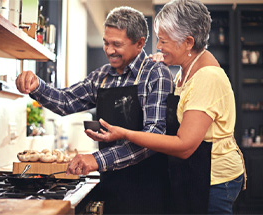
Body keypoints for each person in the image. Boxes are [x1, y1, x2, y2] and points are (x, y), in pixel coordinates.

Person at [84, 0, 247, 214]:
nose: (158, 46)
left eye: (163, 40)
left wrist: (124, 133)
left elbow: (184, 145)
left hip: (213, 181)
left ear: (188, 42)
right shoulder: (186, 69)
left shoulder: (207, 78)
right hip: (194, 176)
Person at [16, 6, 173, 214]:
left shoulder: (156, 74)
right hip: (111, 187)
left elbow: (154, 137)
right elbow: (65, 101)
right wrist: (36, 86)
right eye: (106, 43)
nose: (108, 50)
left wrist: (97, 160)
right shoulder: (102, 77)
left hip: (148, 190)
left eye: (117, 44)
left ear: (140, 43)